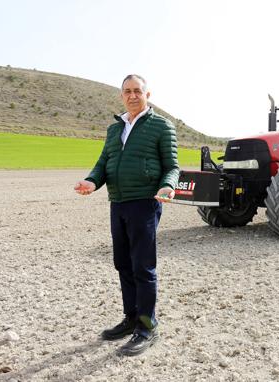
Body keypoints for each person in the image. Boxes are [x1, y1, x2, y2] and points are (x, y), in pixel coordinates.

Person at [74, 74, 179, 356]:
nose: (132, 96)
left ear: (147, 94)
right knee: (123, 263)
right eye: (127, 91)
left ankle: (147, 327)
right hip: (118, 202)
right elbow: (103, 162)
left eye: (137, 91)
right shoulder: (114, 129)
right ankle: (131, 317)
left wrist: (168, 185)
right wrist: (91, 182)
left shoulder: (161, 126)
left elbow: (172, 166)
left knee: (143, 267)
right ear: (122, 96)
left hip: (145, 202)